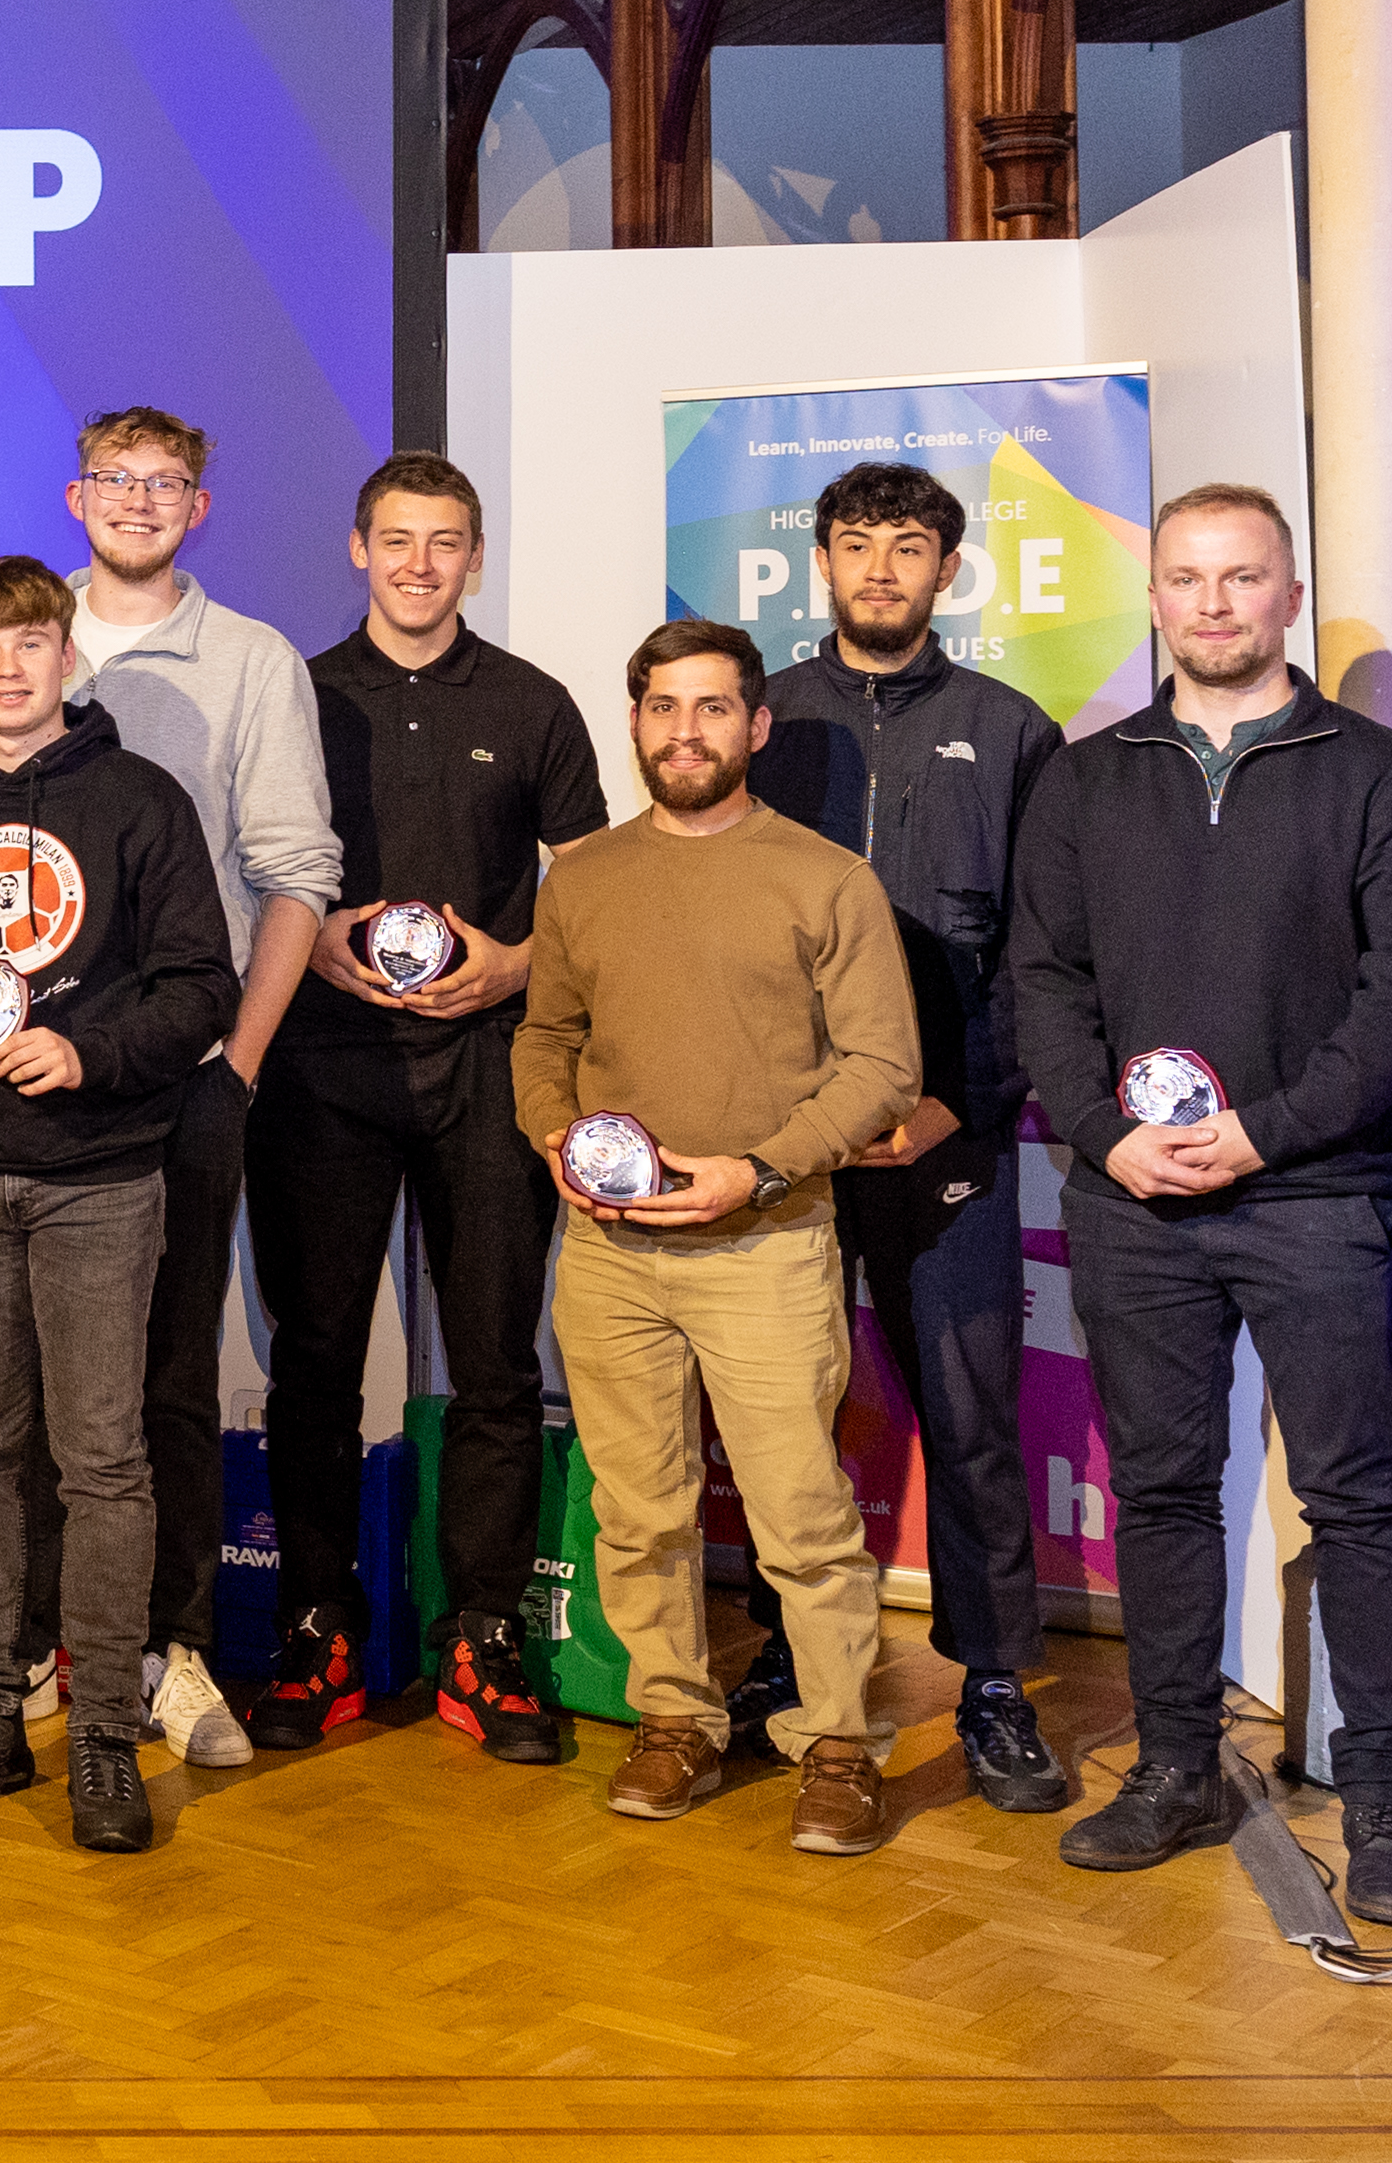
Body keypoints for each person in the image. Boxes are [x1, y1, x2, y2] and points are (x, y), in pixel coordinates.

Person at [0, 406, 336, 1765]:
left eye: (164, 483)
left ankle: (158, 1658)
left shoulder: (245, 667)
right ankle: (21, 1660)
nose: (137, 500)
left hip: (171, 1078)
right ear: (75, 495)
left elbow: (289, 873)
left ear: (195, 506)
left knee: (149, 1398)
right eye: (114, 479)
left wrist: (232, 1063)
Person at [1015, 485, 1392, 1926]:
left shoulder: (1377, 775)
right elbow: (1040, 980)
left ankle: (1381, 1801)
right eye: (1184, 578)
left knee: (1349, 1495)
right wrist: (1102, 1135)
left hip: (1314, 1195)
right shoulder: (1083, 783)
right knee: (1154, 1489)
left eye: (1240, 578)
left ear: (1286, 594)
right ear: (1150, 597)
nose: (1211, 604)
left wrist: (1260, 1135)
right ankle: (1172, 1766)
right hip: (1129, 1200)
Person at [511, 619, 919, 1857]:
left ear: (754, 727)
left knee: (801, 1515)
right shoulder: (580, 877)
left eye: (709, 709)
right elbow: (543, 1041)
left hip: (767, 1245)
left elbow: (883, 1069)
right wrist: (555, 1144)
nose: (682, 732)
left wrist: (755, 1170)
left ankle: (838, 1741)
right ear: (631, 723)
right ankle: (673, 1718)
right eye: (659, 708)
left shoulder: (823, 879)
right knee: (637, 1513)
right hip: (611, 1257)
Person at [0, 557, 235, 1854]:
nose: (6, 667)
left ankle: (102, 1732)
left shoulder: (137, 802)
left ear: (62, 657)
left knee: (102, 1457)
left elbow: (197, 986)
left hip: (98, 1176)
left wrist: (89, 1052)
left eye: (29, 643)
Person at [244, 454, 605, 1762]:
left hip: (486, 1076)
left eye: (441, 542)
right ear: (354, 548)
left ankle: (482, 1633)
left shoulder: (532, 703)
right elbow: (250, 862)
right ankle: (313, 1622)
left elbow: (583, 886)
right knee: (315, 1364)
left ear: (473, 554)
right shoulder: (292, 695)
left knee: (494, 1366)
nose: (416, 564)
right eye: (394, 540)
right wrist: (313, 941)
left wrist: (511, 964)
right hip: (320, 1081)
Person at [731, 460, 1073, 1812]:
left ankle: (990, 1681)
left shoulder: (1007, 729)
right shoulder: (761, 716)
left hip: (948, 1138)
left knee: (969, 1415)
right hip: (784, 1149)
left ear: (945, 569)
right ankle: (784, 1654)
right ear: (817, 559)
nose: (880, 569)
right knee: (777, 1419)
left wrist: (949, 1103)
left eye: (908, 547)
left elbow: (1042, 958)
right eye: (856, 545)